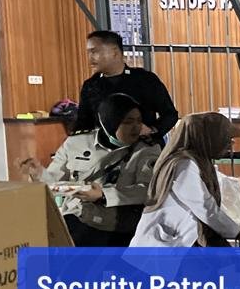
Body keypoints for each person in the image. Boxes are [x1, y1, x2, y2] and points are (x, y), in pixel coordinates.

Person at [21, 94, 162, 247]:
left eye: (139, 121)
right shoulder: (76, 143)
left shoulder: (147, 149)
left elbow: (149, 190)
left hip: (118, 228)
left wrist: (103, 195)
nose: (136, 127)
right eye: (128, 122)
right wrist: (39, 173)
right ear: (110, 121)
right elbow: (54, 184)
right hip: (78, 219)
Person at [130, 112, 240, 247]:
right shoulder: (184, 165)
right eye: (225, 138)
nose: (230, 144)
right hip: (162, 248)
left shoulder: (200, 162)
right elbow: (206, 208)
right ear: (208, 138)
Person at [75, 30, 178, 136]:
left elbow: (170, 114)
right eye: (88, 52)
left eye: (94, 52)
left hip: (142, 143)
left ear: (114, 52)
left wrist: (152, 130)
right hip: (104, 145)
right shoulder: (90, 85)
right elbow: (83, 124)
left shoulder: (145, 79)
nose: (90, 57)